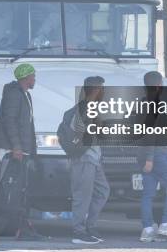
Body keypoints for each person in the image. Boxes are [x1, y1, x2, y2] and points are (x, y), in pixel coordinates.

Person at [0, 63, 46, 241]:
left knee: (23, 190)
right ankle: (18, 228)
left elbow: (27, 125)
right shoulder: (14, 95)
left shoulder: (25, 95)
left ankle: (24, 227)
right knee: (15, 189)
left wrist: (32, 150)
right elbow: (10, 121)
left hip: (24, 150)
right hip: (15, 150)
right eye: (32, 76)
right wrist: (16, 146)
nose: (34, 79)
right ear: (25, 78)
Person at [139, 71, 167, 242]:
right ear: (158, 85)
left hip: (146, 155)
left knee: (148, 194)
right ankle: (166, 223)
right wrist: (152, 157)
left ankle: (147, 229)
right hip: (157, 156)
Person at [67, 76, 110, 244]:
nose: (104, 92)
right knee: (82, 196)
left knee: (103, 191)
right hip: (85, 158)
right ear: (96, 90)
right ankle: (78, 232)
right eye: (102, 89)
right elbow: (79, 131)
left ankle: (89, 226)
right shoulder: (84, 108)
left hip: (94, 159)